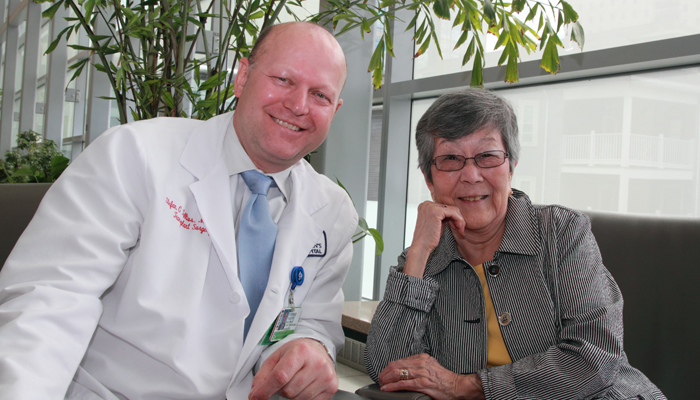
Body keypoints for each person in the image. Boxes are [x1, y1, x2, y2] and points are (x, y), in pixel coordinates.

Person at [0, 22, 358, 400]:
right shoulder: (133, 155)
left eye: (319, 94)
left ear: (334, 110)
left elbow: (314, 322)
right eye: (284, 79)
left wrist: (312, 349)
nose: (299, 105)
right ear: (242, 77)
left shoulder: (332, 212)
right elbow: (51, 301)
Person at [364, 88, 666, 400]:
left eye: (488, 156)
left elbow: (593, 360)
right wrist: (417, 256)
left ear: (512, 166)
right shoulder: (421, 259)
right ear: (429, 179)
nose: (471, 175)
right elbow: (389, 369)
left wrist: (463, 386)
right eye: (451, 159)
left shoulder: (562, 233)